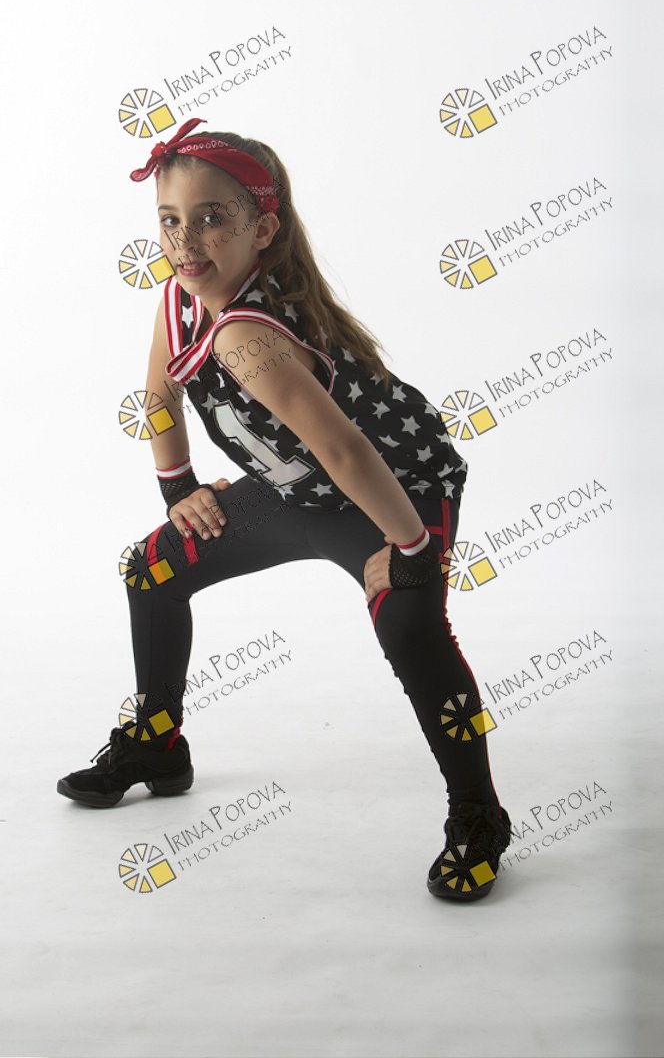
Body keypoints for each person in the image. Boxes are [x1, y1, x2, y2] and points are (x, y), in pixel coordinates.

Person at [57, 117, 513, 901]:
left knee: (410, 625)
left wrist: (410, 548)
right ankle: (157, 742)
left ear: (261, 230)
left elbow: (349, 452)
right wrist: (180, 490)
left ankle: (479, 812)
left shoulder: (248, 337)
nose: (185, 240)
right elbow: (159, 396)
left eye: (210, 218)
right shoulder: (180, 298)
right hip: (302, 490)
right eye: (169, 219)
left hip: (396, 490)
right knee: (152, 569)